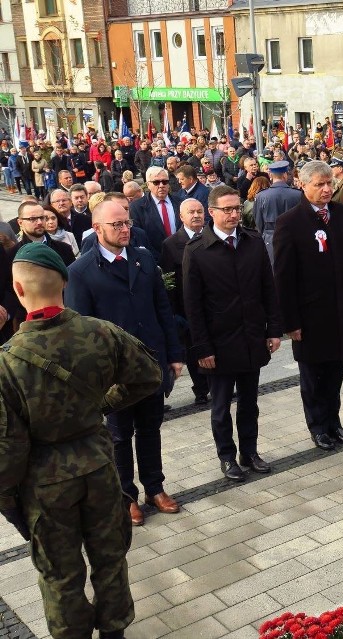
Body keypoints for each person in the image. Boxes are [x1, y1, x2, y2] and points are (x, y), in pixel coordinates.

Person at [0, 243, 162, 639]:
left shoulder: (7, 361)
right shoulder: (101, 332)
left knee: (61, 574)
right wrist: (103, 404)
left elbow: (9, 449)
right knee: (110, 560)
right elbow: (148, 376)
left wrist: (8, 502)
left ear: (19, 291)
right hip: (100, 466)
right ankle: (114, 632)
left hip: (46, 485)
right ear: (66, 282)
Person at [66, 199, 184, 527]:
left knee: (150, 429)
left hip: (150, 364)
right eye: (116, 224)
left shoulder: (144, 259)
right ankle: (126, 496)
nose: (124, 229)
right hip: (113, 374)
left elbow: (163, 309)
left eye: (127, 223)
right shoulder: (81, 271)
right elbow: (79, 331)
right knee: (119, 437)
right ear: (98, 228)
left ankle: (155, 488)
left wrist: (174, 355)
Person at [183, 185, 282, 481]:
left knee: (250, 403)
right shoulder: (198, 250)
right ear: (211, 212)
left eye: (237, 208)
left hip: (251, 337)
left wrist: (274, 329)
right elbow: (192, 305)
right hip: (218, 343)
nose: (234, 214)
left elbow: (268, 289)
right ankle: (227, 456)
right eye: (227, 209)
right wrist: (202, 347)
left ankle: (249, 451)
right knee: (221, 405)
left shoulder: (252, 242)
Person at [272, 161, 343, 452]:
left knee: (336, 371)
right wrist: (290, 323)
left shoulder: (341, 213)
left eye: (329, 184)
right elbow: (284, 278)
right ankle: (318, 427)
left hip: (339, 310)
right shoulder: (290, 222)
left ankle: (334, 422)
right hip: (309, 315)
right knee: (313, 376)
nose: (326, 189)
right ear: (303, 185)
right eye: (319, 185)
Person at [159, 198, 210, 405]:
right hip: (185, 308)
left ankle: (216, 383)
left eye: (200, 211)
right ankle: (200, 388)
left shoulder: (211, 236)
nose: (196, 215)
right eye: (191, 212)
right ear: (181, 217)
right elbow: (169, 281)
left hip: (212, 304)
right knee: (193, 349)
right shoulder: (171, 244)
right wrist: (174, 312)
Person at [252, 160, 302, 263]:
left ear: (270, 175)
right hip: (294, 237)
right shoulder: (298, 194)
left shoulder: (261, 195)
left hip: (270, 238)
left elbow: (258, 221)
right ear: (285, 175)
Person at [129, 166, 182, 262]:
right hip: (155, 261)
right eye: (156, 182)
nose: (161, 185)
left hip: (182, 258)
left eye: (165, 182)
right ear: (148, 185)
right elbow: (138, 238)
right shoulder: (137, 207)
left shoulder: (180, 202)